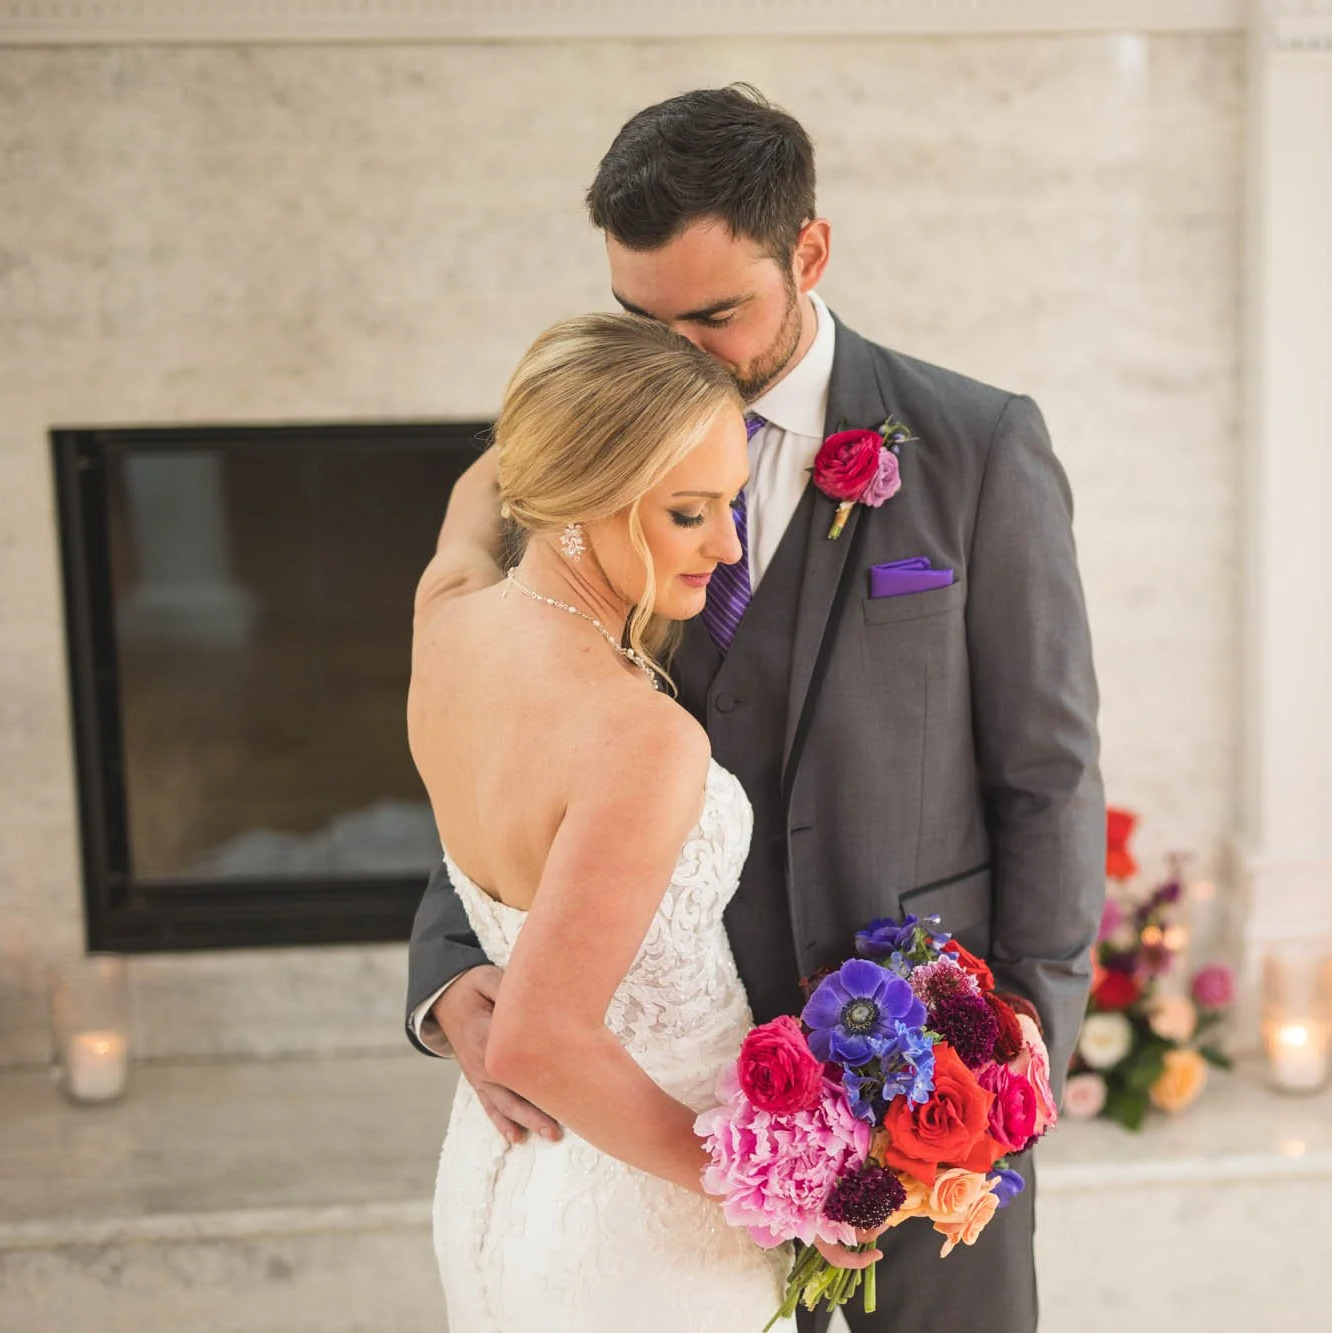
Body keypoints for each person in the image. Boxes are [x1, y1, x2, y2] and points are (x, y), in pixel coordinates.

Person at [407, 85, 1105, 1333]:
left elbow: (1046, 775)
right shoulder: (582, 456)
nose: (673, 356)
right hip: (642, 1118)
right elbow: (499, 731)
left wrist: (1013, 1052)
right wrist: (458, 963)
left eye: (715, 314)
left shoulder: (978, 447)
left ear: (809, 253)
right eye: (640, 317)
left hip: (912, 1085)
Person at [414, 313, 867, 1328]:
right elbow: (536, 1040)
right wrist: (779, 1192)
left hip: (499, 1178)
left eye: (730, 501)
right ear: (588, 498)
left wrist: (608, 400)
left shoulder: (445, 613)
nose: (730, 541)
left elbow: (470, 501)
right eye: (689, 512)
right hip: (648, 1234)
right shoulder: (641, 739)